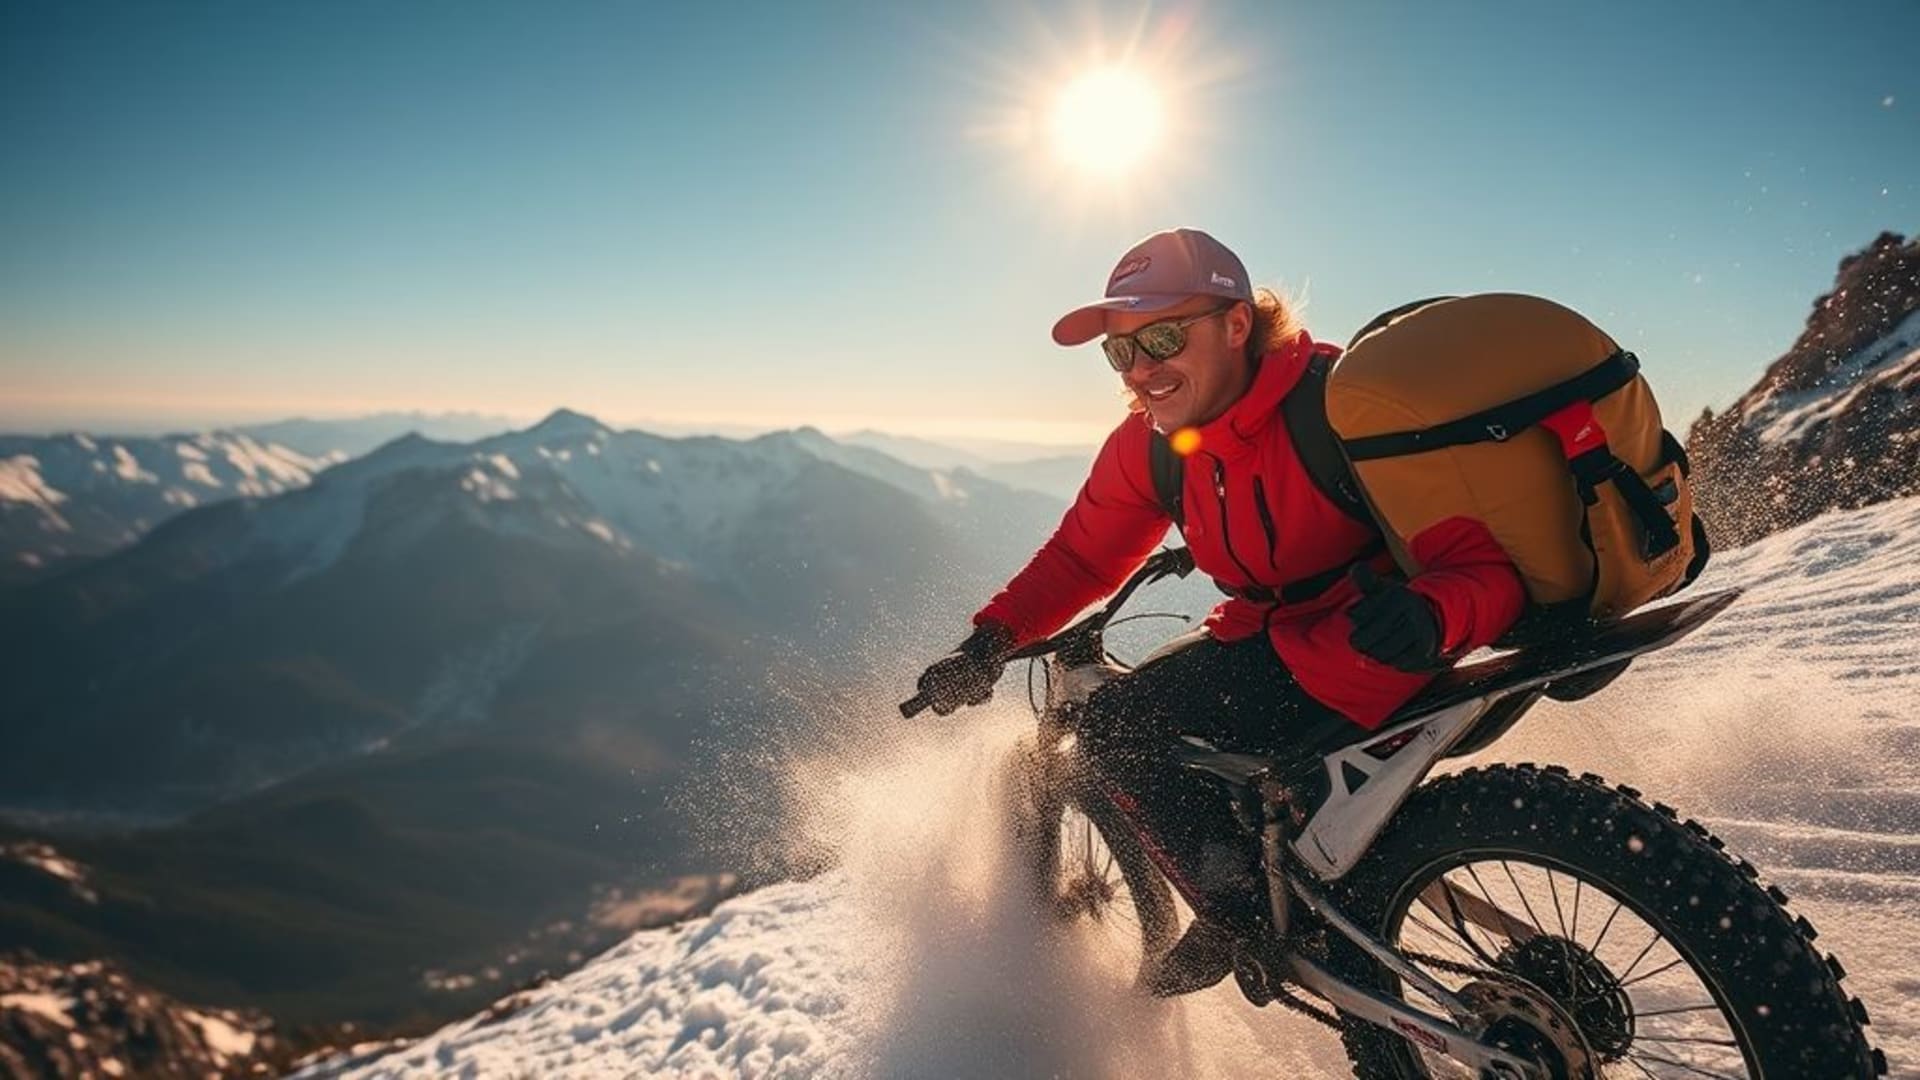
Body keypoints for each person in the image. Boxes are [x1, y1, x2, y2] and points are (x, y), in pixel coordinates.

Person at [912, 227, 1528, 996]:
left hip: (1365, 649)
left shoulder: (1341, 409)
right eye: (1121, 352)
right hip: (1280, 642)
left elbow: (1485, 564)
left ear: (1237, 326)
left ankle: (1251, 924)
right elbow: (1081, 556)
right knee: (1190, 718)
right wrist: (991, 640)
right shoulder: (1156, 445)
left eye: (1163, 337)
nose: (1141, 370)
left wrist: (1434, 614)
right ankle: (1302, 899)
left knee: (1118, 726)